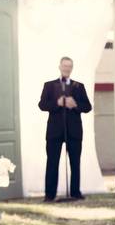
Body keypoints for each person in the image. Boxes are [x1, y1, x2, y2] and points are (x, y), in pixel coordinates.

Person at [38, 57, 92, 201]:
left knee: (75, 162)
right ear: (60, 67)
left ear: (72, 68)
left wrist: (75, 105)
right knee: (52, 162)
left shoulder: (78, 86)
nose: (67, 68)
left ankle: (75, 192)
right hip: (55, 131)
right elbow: (42, 105)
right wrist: (57, 103)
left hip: (74, 131)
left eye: (69, 66)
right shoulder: (49, 85)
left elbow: (87, 107)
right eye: (64, 66)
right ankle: (49, 195)